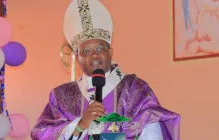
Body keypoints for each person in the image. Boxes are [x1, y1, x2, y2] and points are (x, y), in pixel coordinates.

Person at [31, 0, 180, 139]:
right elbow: (41, 133)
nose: (94, 55)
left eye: (99, 48)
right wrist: (80, 125)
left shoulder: (135, 89)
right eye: (86, 51)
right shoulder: (61, 96)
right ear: (77, 57)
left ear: (110, 52)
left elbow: (152, 131)